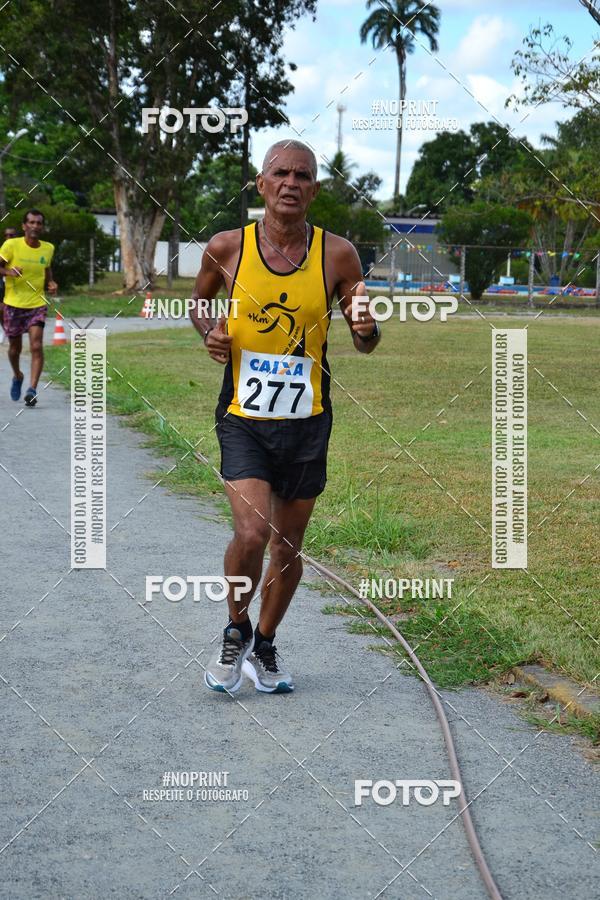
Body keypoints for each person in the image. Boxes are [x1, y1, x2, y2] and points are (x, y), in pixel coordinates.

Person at [191, 139, 380, 695]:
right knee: (250, 532)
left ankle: (266, 645)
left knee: (287, 547)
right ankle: (235, 630)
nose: (291, 183)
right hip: (243, 415)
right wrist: (212, 334)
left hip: (307, 421)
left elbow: (363, 339)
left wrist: (366, 329)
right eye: (281, 173)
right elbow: (201, 303)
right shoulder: (227, 248)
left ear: (314, 189)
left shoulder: (338, 255)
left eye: (302, 175)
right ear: (262, 183)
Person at [0, 210, 57, 406]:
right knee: (15, 349)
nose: (35, 226)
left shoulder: (48, 248)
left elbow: (47, 268)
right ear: (24, 226)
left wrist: (51, 283)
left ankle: (32, 390)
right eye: (31, 222)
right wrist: (8, 271)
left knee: (36, 345)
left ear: (42, 227)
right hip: (13, 304)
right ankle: (17, 375)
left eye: (39, 223)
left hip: (37, 303)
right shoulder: (11, 245)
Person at [0, 226, 17, 345]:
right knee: (1, 309)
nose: (8, 238)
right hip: (2, 282)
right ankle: (4, 330)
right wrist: (8, 272)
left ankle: (12, 330)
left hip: (17, 284)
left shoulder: (21, 249)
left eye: (11, 235)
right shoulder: (3, 249)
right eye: (6, 235)